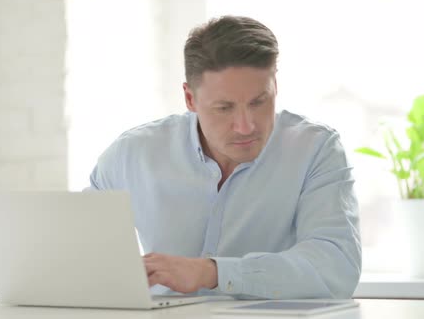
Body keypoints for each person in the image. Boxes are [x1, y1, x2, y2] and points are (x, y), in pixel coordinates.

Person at [88, 15, 361, 299]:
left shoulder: (315, 150)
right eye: (224, 108)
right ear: (190, 99)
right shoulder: (131, 155)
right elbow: (80, 256)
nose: (246, 126)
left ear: (275, 86)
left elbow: (336, 268)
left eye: (258, 101)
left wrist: (213, 272)